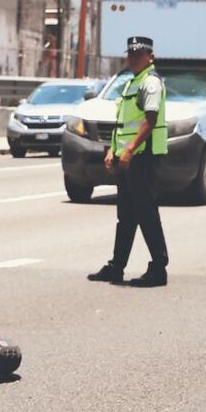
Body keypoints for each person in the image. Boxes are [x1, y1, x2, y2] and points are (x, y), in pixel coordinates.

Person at [87, 36, 169, 288]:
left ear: (150, 56)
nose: (133, 58)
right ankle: (117, 266)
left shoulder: (150, 83)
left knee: (146, 214)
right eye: (130, 54)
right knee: (127, 216)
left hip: (142, 157)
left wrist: (131, 150)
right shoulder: (131, 82)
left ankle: (158, 268)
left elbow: (150, 120)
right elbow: (122, 124)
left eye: (139, 54)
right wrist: (113, 150)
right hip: (129, 158)